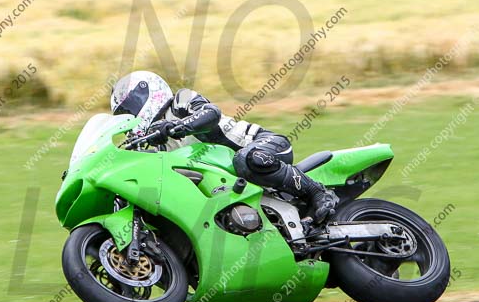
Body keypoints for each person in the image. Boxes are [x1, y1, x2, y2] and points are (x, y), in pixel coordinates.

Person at [110, 71, 339, 223]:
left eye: (130, 109)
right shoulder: (157, 145)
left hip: (264, 144)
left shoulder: (180, 102)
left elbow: (210, 113)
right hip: (229, 180)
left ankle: (318, 192)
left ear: (149, 92)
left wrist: (176, 126)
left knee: (247, 159)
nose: (130, 117)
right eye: (124, 115)